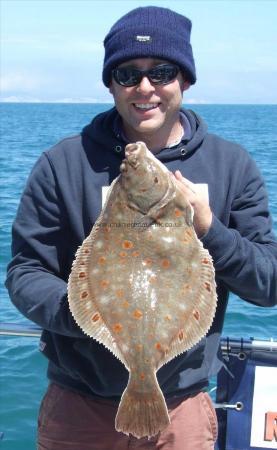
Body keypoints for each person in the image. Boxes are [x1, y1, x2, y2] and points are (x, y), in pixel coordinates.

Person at [5, 6, 277, 450]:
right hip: (80, 404)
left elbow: (269, 284)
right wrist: (89, 316)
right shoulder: (63, 164)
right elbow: (24, 274)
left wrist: (210, 228)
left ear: (185, 80)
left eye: (162, 72)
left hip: (183, 408)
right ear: (111, 84)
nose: (145, 87)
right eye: (128, 74)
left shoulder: (232, 166)